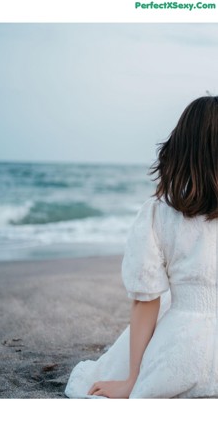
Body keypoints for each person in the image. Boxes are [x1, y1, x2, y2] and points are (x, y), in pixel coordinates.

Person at [64, 95, 218, 399]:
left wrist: (132, 377)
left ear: (182, 148)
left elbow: (145, 299)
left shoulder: (158, 213)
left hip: (184, 347)